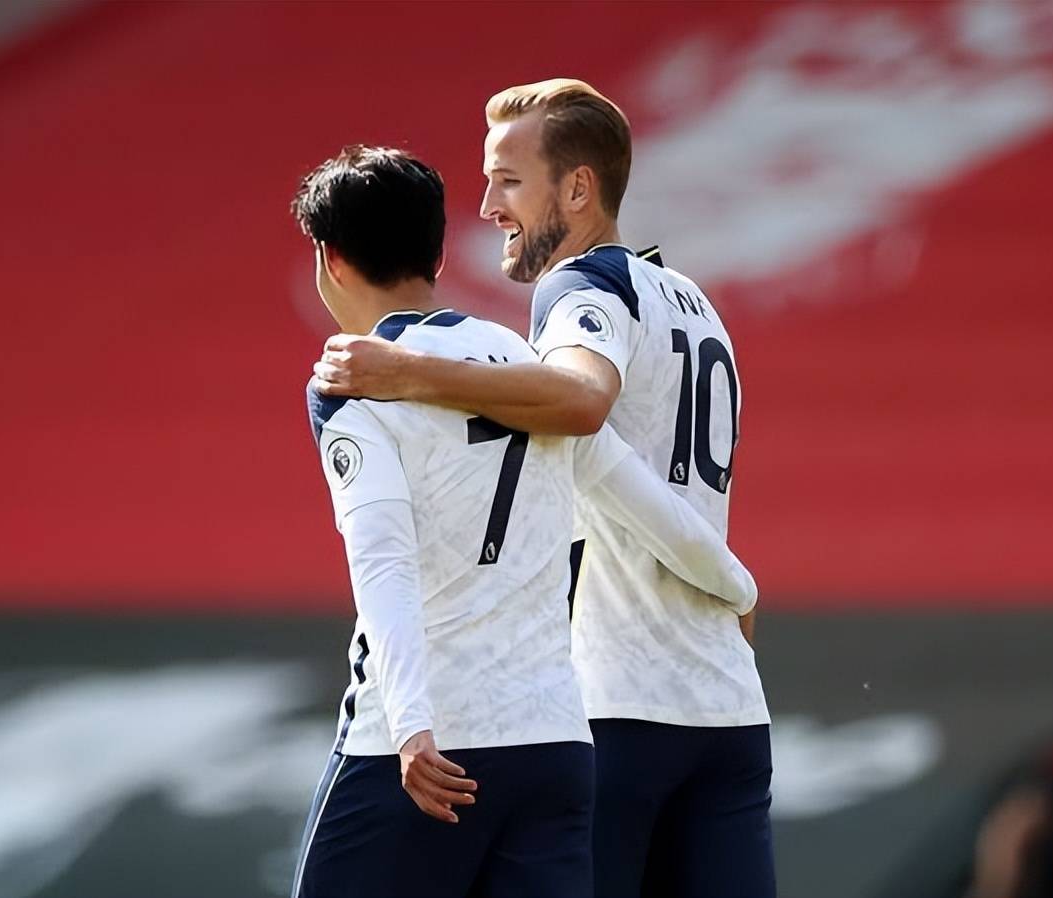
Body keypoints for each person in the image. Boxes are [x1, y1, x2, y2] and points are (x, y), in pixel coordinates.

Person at [313, 80, 775, 898]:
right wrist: (735, 581)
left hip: (615, 693)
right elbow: (634, 475)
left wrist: (402, 370)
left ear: (578, 189)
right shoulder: (694, 301)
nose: (488, 205)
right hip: (727, 703)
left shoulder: (579, 288)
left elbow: (582, 405)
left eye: (509, 181)